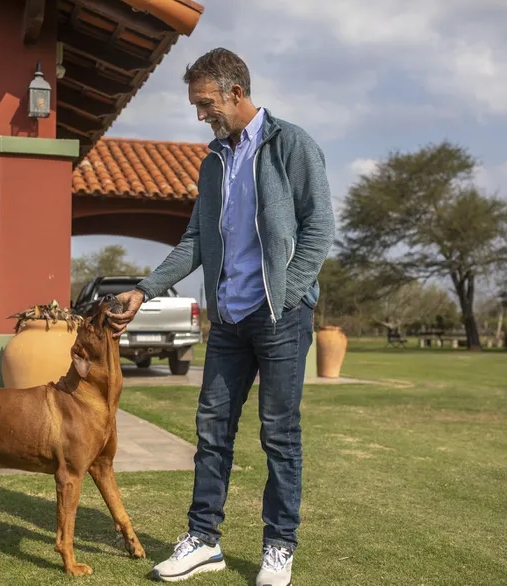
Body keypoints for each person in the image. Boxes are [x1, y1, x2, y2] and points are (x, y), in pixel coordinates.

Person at [106, 48, 335, 585]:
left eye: (205, 102)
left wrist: (289, 295)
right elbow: (195, 242)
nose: (200, 113)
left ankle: (279, 546)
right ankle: (203, 540)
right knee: (212, 433)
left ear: (236, 92)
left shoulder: (292, 145)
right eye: (196, 104)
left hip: (279, 319)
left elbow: (319, 229)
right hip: (228, 321)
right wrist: (144, 290)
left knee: (279, 436)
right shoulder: (214, 162)